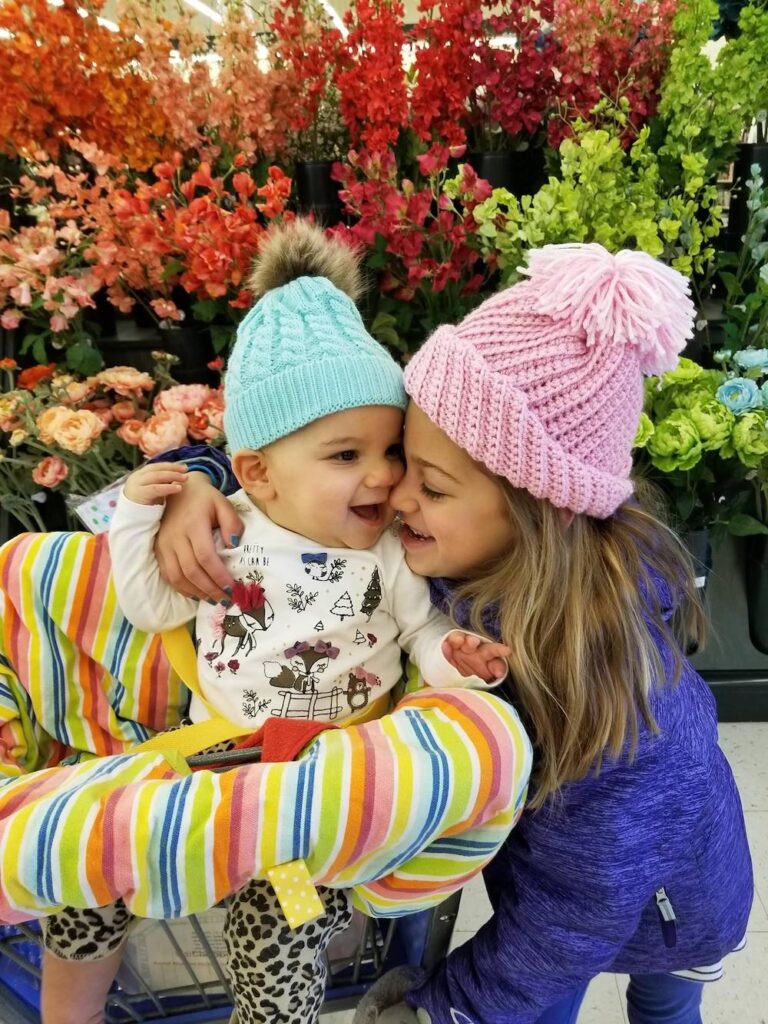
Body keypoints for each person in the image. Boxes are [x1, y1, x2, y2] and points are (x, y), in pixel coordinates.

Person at [153, 242, 753, 1024]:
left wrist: (449, 1008)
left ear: (542, 510)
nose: (393, 494)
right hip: (548, 885)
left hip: (664, 909)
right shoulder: (465, 550)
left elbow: (571, 920)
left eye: (428, 483)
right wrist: (197, 484)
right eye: (405, 458)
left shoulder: (618, 707)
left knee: (658, 1006)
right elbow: (301, 459)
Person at [38, 221, 509, 1024]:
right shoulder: (229, 528)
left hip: (315, 791)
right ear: (257, 470)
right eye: (345, 456)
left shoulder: (391, 554)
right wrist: (135, 518)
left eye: (390, 449)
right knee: (84, 876)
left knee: (280, 926)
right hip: (199, 769)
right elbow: (152, 609)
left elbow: (422, 637)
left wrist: (452, 657)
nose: (383, 476)